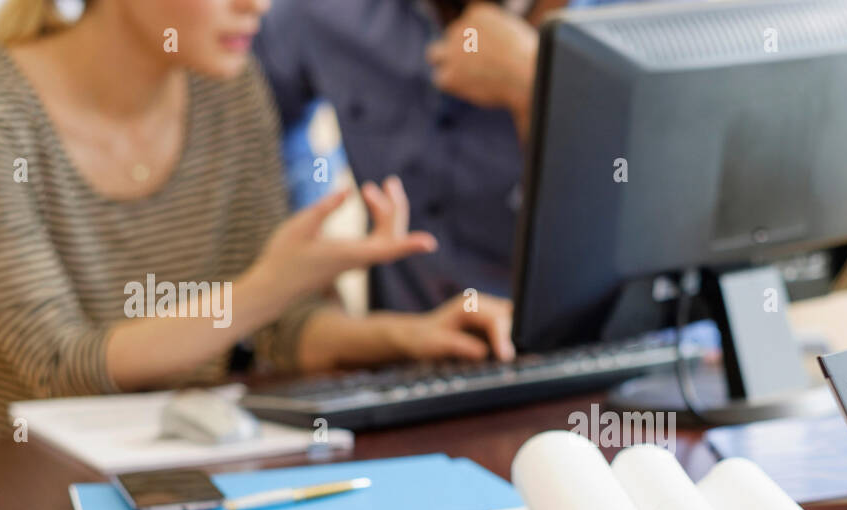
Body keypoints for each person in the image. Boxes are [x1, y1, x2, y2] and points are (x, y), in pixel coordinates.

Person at [0, 0, 515, 456]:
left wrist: (408, 337)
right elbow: (59, 367)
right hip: (24, 489)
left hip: (199, 465)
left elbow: (279, 328)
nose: (258, 6)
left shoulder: (227, 89)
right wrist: (269, 286)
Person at [253, 0, 637, 314]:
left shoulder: (649, 19)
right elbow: (262, 128)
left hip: (607, 363)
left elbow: (660, 227)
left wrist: (541, 85)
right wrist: (308, 294)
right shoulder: (322, 14)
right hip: (403, 363)